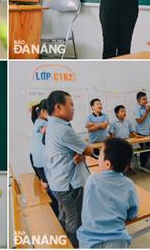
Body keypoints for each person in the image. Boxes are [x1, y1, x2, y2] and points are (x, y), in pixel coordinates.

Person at [45, 90, 95, 247]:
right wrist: (83, 151)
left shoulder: (52, 125)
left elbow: (76, 151)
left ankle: (62, 241)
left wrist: (80, 152)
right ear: (59, 107)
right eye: (71, 104)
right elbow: (89, 150)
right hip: (69, 185)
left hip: (58, 182)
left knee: (65, 215)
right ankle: (73, 245)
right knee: (76, 222)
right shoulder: (64, 129)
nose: (73, 108)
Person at [77, 138, 138, 248]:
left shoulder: (92, 179)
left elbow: (87, 207)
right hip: (118, 240)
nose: (98, 158)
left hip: (90, 240)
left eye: (100, 155)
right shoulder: (129, 184)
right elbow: (133, 212)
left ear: (107, 164)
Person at [29, 99, 59, 216]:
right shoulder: (45, 124)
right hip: (42, 161)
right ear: (42, 111)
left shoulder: (37, 121)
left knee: (47, 186)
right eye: (50, 112)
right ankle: (54, 215)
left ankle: (53, 212)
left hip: (36, 159)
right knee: (51, 189)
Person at [108, 105, 136, 175]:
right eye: (122, 111)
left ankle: (128, 168)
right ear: (117, 114)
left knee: (129, 156)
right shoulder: (113, 123)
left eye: (125, 111)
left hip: (128, 142)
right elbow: (111, 134)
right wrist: (112, 144)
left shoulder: (128, 122)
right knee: (120, 158)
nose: (124, 113)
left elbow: (132, 132)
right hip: (119, 143)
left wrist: (138, 136)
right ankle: (121, 171)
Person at [133, 92, 150, 168]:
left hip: (149, 133)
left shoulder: (147, 107)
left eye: (146, 99)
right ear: (138, 101)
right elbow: (139, 121)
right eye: (143, 99)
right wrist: (146, 111)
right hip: (141, 134)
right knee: (144, 151)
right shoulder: (136, 109)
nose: (146, 101)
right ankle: (143, 166)